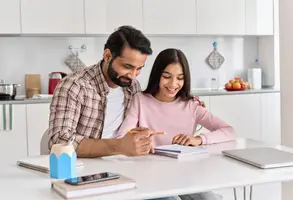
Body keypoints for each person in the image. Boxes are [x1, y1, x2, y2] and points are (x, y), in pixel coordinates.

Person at [116, 48, 235, 200]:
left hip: (184, 177)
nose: (173, 84)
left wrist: (198, 139)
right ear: (157, 75)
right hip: (151, 177)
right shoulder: (140, 100)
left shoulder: (192, 105)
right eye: (167, 76)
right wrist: (138, 137)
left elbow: (229, 131)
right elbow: (121, 138)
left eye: (180, 78)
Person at [47, 26, 156, 157]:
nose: (133, 75)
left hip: (122, 162)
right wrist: (119, 146)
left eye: (139, 69)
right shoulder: (74, 86)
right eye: (127, 66)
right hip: (83, 168)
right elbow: (59, 141)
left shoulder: (132, 87)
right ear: (107, 55)